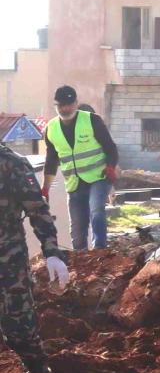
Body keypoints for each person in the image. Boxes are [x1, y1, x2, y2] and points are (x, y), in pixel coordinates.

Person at [1, 143, 69, 373]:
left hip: (8, 263)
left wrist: (52, 252)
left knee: (20, 329)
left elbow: (37, 210)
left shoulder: (12, 164)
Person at [42, 85, 119, 250]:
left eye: (69, 104)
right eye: (61, 105)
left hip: (99, 177)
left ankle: (100, 249)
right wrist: (45, 188)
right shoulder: (51, 129)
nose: (65, 108)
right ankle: (81, 258)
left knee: (96, 209)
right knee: (77, 228)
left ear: (76, 103)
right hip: (74, 184)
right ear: (56, 106)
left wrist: (111, 167)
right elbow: (51, 161)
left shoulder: (92, 120)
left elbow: (111, 148)